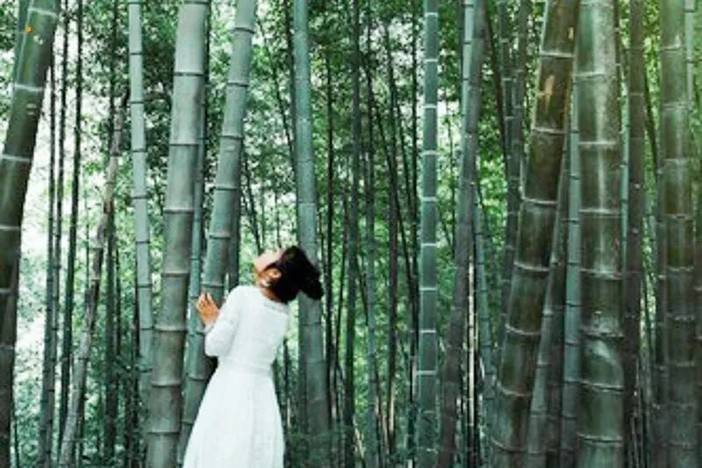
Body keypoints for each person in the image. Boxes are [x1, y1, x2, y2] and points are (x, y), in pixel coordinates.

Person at [182, 245, 323, 467]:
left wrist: (211, 321)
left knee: (222, 455)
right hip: (263, 396)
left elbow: (214, 347)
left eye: (274, 252)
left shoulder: (242, 296)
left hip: (230, 391)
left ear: (273, 273)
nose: (267, 251)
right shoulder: (283, 313)